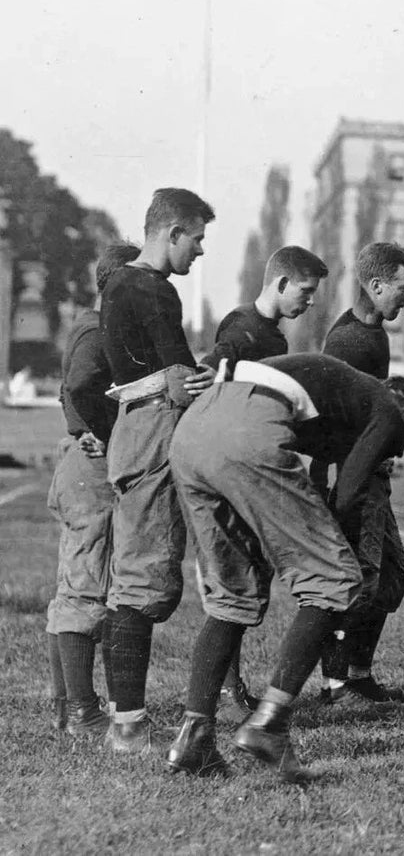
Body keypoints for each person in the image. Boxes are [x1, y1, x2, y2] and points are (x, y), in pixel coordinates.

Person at [164, 354, 404, 780]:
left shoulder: (350, 393)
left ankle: (195, 736)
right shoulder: (386, 412)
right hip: (251, 427)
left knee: (231, 597)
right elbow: (348, 496)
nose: (400, 448)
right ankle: (269, 725)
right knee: (335, 582)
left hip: (195, 430)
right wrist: (337, 550)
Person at [97, 187, 217, 752]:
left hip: (139, 429)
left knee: (146, 577)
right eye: (195, 238)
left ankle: (132, 717)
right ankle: (127, 726)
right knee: (143, 580)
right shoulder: (149, 288)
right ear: (171, 233)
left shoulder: (123, 284)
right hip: (152, 432)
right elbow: (179, 376)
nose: (199, 251)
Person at [201, 244, 330, 720]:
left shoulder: (274, 338)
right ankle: (225, 691)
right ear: (280, 283)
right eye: (306, 290)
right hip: (234, 472)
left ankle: (228, 689)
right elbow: (218, 363)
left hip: (252, 470)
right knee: (234, 580)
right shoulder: (242, 326)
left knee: (250, 578)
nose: (311, 301)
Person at [314, 240, 404, 704]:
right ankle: (336, 684)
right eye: (403, 287)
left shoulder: (376, 333)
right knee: (359, 580)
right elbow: (327, 418)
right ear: (376, 286)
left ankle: (359, 673)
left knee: (392, 577)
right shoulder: (347, 342)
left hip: (373, 474)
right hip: (353, 480)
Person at [45, 242, 138, 737]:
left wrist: (81, 425)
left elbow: (71, 389)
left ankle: (70, 706)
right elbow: (80, 384)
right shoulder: (100, 329)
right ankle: (83, 712)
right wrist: (104, 432)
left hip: (79, 467)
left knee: (75, 588)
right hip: (90, 472)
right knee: (86, 589)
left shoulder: (91, 326)